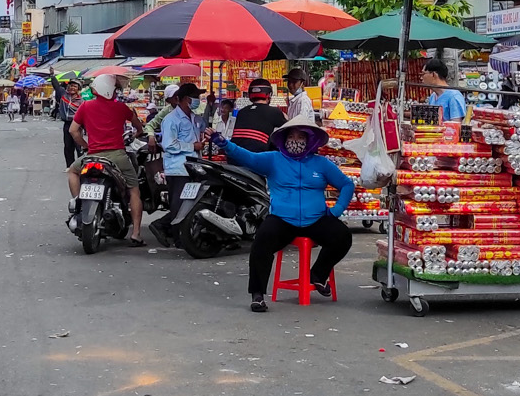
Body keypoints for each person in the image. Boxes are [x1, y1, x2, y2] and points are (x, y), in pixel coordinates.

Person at [213, 110, 354, 312]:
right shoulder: (273, 159)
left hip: (316, 220)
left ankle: (318, 275)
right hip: (282, 219)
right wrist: (225, 144)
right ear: (284, 139)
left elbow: (347, 185)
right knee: (261, 242)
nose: (295, 140)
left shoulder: (321, 164)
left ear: (309, 141)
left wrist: (336, 210)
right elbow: (248, 157)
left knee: (343, 237)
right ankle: (258, 294)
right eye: (291, 136)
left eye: (300, 137)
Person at [69, 70, 147, 243]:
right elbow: (138, 126)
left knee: (73, 172)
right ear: (110, 90)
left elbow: (73, 131)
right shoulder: (121, 108)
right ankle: (136, 233)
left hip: (92, 156)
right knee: (134, 190)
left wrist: (86, 145)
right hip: (117, 156)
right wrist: (138, 132)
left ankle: (78, 206)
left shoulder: (86, 106)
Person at [156, 83, 206, 239]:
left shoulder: (194, 117)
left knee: (190, 203)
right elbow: (168, 145)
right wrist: (192, 146)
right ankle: (169, 231)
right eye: (195, 97)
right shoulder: (171, 120)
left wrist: (210, 105)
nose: (198, 100)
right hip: (177, 168)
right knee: (178, 205)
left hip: (193, 166)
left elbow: (204, 126)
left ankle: (179, 234)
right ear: (185, 99)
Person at [229, 78, 285, 152]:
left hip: (234, 156)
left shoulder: (242, 112)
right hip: (256, 158)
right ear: (269, 95)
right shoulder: (274, 112)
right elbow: (290, 130)